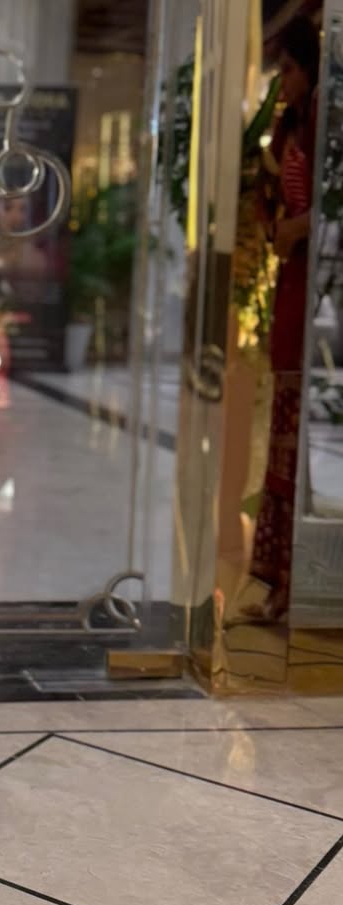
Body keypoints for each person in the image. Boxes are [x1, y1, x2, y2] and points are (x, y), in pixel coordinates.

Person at [243, 15, 320, 623]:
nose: (283, 82)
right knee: (287, 434)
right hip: (294, 287)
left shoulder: (321, 121)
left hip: (316, 292)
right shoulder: (293, 126)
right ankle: (283, 586)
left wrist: (298, 227)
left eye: (289, 70)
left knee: (305, 441)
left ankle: (298, 588)